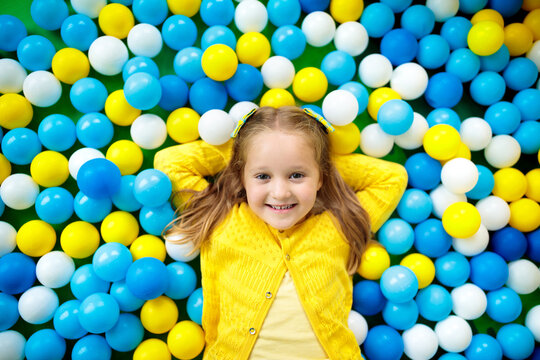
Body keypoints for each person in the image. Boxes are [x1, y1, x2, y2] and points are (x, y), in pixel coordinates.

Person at [154, 106, 407, 360]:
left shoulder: (338, 225)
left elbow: (392, 178)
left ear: (321, 177)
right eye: (262, 175)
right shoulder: (224, 221)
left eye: (297, 174)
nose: (280, 192)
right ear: (242, 177)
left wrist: (318, 158)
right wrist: (244, 153)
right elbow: (170, 164)